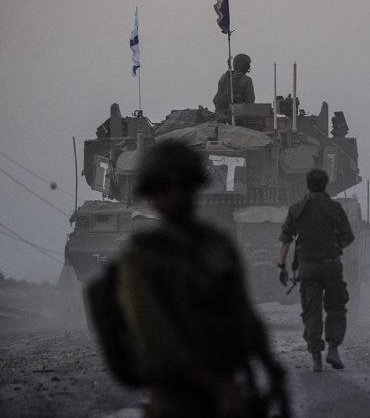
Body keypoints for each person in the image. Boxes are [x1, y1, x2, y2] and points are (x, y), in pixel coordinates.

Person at [89, 139, 289, 418]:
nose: (176, 195)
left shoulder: (218, 245)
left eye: (184, 185)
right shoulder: (140, 257)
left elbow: (244, 315)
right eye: (164, 187)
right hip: (174, 400)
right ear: (152, 194)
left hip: (230, 388)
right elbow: (157, 339)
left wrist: (271, 368)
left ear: (196, 187)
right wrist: (220, 389)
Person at [278, 169, 355, 372]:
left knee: (311, 311)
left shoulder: (296, 209)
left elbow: (285, 240)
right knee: (336, 308)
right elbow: (348, 237)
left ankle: (316, 358)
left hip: (307, 267)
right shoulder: (335, 208)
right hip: (331, 265)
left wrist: (281, 266)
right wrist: (335, 247)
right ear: (325, 184)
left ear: (308, 184)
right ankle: (333, 348)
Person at [213, 53, 256, 119]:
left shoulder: (224, 77)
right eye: (248, 64)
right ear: (245, 65)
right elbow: (250, 102)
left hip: (220, 114)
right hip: (237, 116)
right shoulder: (246, 80)